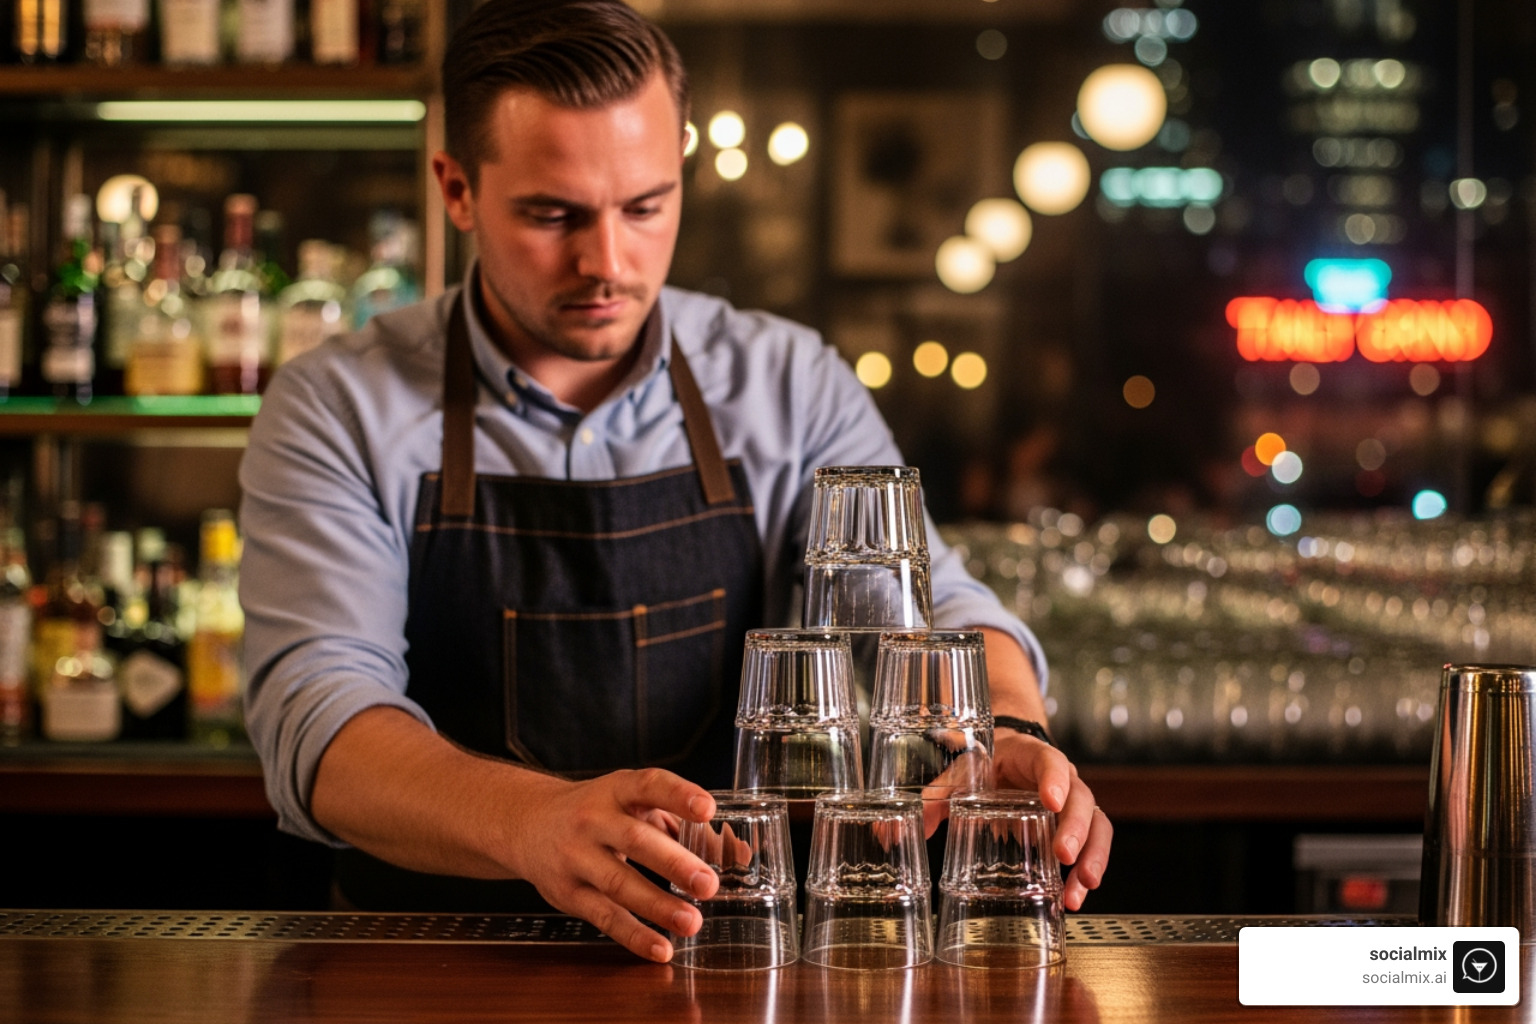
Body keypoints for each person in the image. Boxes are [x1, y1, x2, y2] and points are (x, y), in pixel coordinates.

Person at [239, 0, 1112, 963]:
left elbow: (924, 604)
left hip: (729, 955)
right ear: (455, 189)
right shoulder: (337, 404)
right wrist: (532, 823)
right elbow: (319, 722)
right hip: (425, 955)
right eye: (552, 214)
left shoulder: (787, 384)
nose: (606, 262)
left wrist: (1007, 729)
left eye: (645, 206)